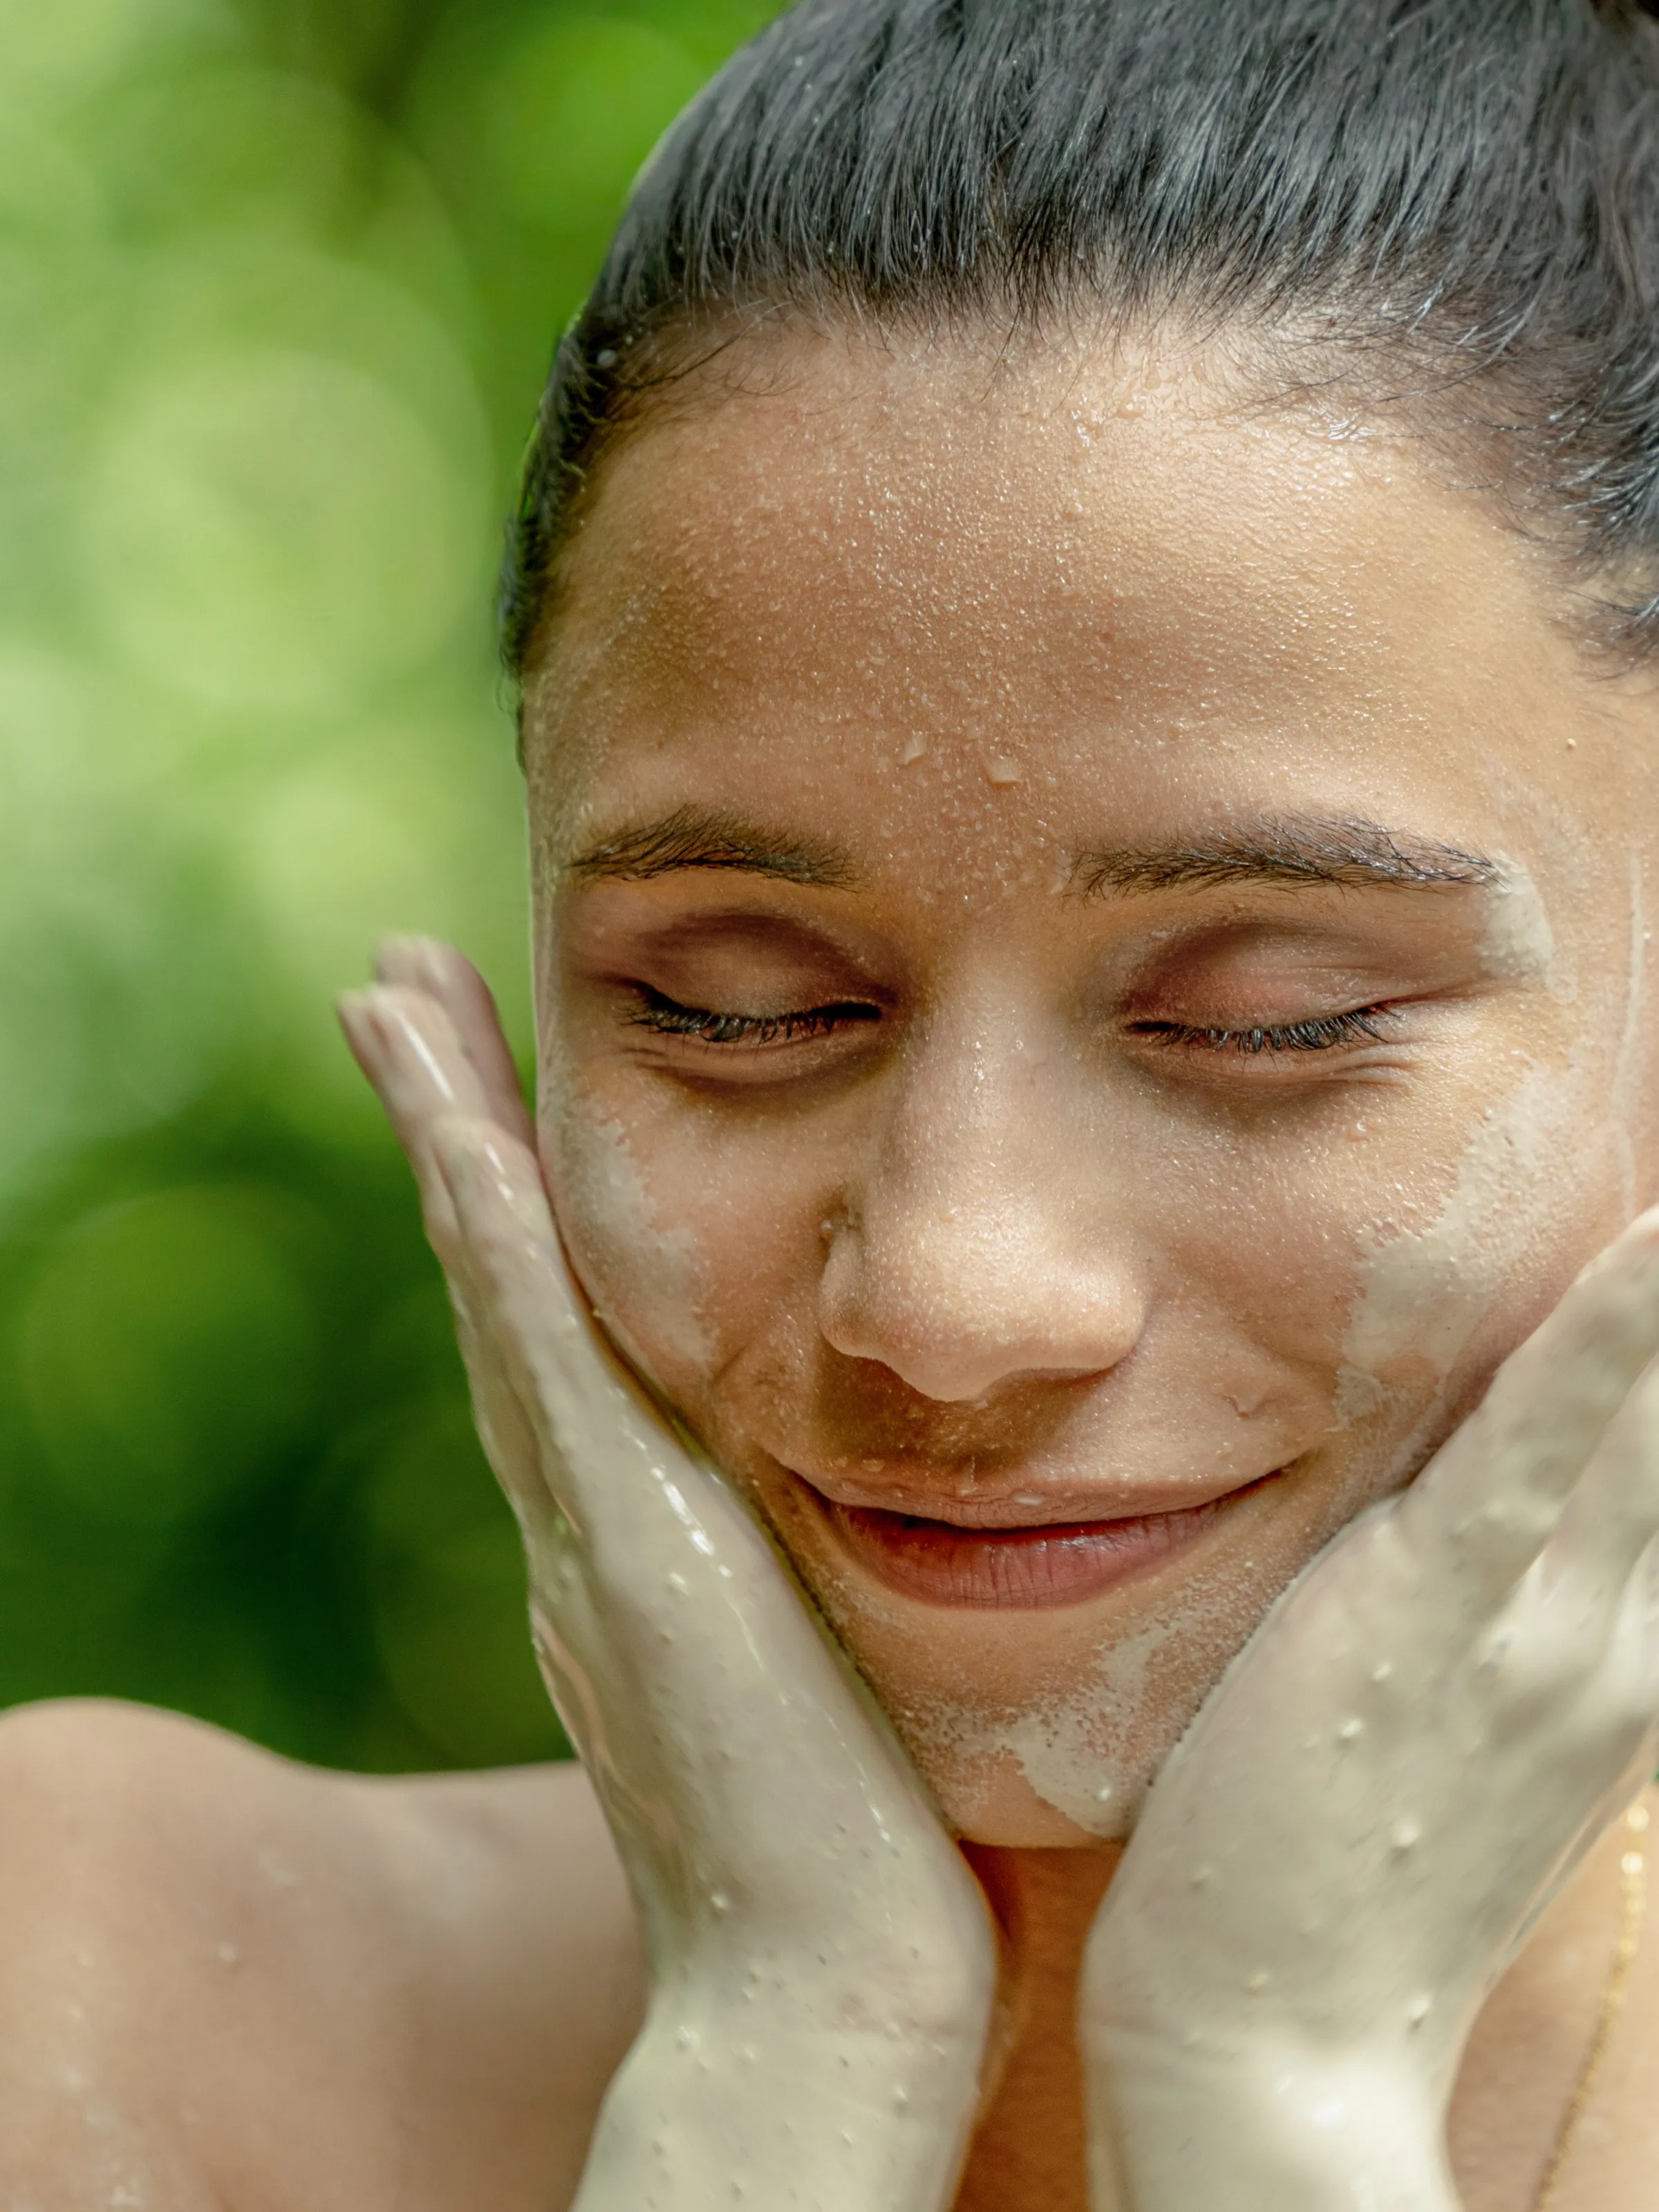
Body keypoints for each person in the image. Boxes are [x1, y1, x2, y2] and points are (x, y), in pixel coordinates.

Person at [6, 0, 1659, 2204]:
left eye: (1264, 1020)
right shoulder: (99, 1998)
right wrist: (779, 2064)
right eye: (737, 1007)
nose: (954, 1299)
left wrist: (1273, 2098)